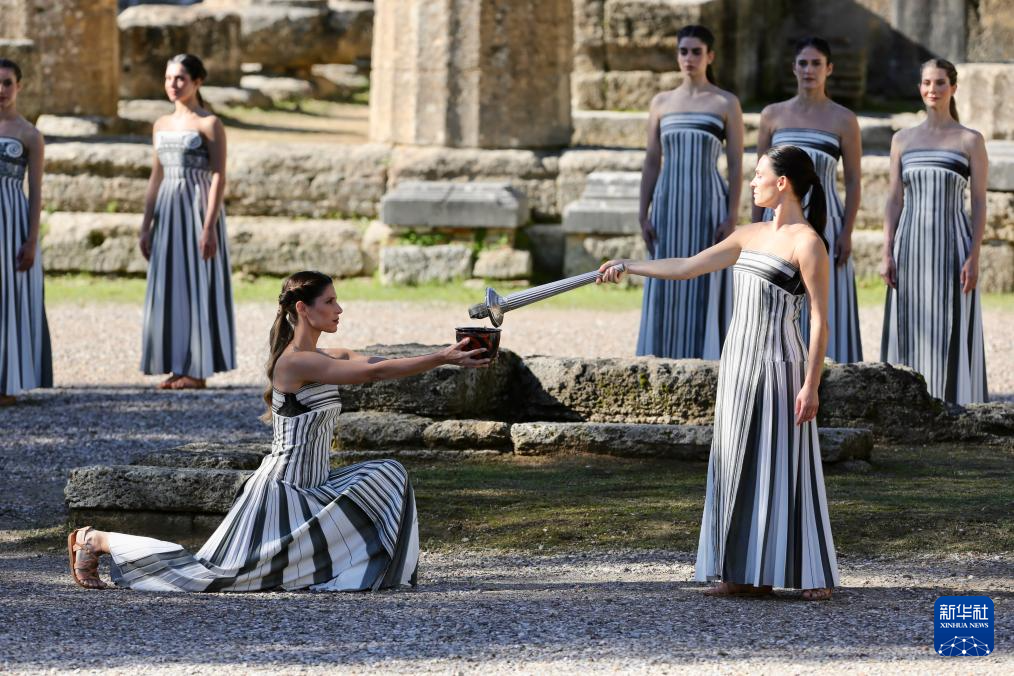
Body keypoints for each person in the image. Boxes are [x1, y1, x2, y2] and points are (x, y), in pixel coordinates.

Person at [67, 271, 489, 591]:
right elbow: (373, 374)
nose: (339, 309)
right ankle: (96, 539)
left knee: (389, 475)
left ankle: (359, 570)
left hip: (316, 487)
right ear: (304, 308)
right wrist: (442, 358)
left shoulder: (325, 354)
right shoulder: (294, 363)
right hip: (280, 491)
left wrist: (450, 350)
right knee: (206, 578)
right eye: (330, 301)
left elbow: (375, 361)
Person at [599, 145, 838, 601]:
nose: (752, 182)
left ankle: (812, 573)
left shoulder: (807, 243)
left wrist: (811, 385)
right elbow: (688, 267)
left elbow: (820, 321)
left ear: (782, 183)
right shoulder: (747, 234)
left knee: (783, 466)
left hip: (779, 368)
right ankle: (740, 572)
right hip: (738, 365)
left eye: (759, 175)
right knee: (733, 463)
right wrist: (628, 267)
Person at [880, 59, 988, 404]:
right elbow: (894, 199)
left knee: (951, 325)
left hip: (953, 247)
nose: (933, 89)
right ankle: (904, 407)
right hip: (909, 246)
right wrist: (887, 251)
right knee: (908, 324)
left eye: (940, 83)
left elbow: (979, 202)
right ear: (919, 88)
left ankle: (955, 404)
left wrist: (974, 255)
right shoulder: (902, 140)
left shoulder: (970, 140)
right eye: (927, 83)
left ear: (953, 88)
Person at [636, 25, 743, 359]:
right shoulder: (661, 102)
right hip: (667, 205)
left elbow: (736, 164)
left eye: (697, 51)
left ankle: (707, 360)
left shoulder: (726, 102)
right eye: (683, 51)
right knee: (664, 277)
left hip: (708, 206)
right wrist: (643, 212)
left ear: (710, 56)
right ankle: (659, 359)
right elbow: (652, 160)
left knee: (705, 277)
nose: (689, 58)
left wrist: (732, 215)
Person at [754, 37, 862, 363]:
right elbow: (760, 176)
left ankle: (831, 373)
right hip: (776, 223)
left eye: (816, 63)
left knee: (824, 301)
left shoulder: (844, 120)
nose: (809, 70)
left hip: (826, 222)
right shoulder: (772, 115)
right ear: (794, 68)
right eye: (803, 63)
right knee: (774, 296)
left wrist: (847, 232)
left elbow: (854, 180)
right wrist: (755, 228)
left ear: (829, 69)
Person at [139, 54, 235, 390]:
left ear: (197, 81)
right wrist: (146, 225)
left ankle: (197, 368)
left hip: (197, 208)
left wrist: (209, 226)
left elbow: (219, 175)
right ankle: (177, 364)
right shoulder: (161, 124)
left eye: (180, 78)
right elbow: (156, 176)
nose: (173, 85)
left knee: (196, 282)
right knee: (170, 285)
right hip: (168, 209)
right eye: (169, 78)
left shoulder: (210, 124)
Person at [0, 58, 51, 406]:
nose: (1, 90)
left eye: (7, 83)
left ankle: (6, 382)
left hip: (11, 220)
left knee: (7, 297)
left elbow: (35, 192)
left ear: (19, 87)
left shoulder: (30, 134)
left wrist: (31, 239)